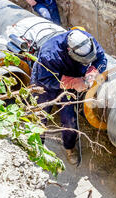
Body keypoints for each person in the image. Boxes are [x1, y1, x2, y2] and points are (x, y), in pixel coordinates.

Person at [31, 29, 107, 164]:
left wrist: (92, 72)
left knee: (69, 119)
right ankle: (36, 146)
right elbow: (46, 79)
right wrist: (73, 82)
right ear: (70, 50)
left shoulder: (87, 41)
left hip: (72, 77)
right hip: (47, 83)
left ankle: (69, 147)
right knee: (40, 115)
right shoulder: (50, 54)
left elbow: (101, 58)